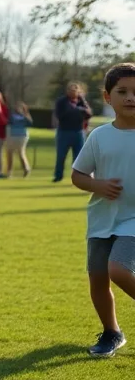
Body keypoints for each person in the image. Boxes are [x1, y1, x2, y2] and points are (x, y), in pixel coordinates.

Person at [70, 63, 135, 358]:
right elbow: (78, 175)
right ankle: (112, 332)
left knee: (118, 269)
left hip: (133, 219)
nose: (131, 98)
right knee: (98, 280)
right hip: (101, 219)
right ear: (108, 98)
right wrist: (98, 186)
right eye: (122, 92)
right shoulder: (99, 136)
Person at [53, 81, 93, 183]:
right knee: (61, 156)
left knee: (79, 157)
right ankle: (58, 176)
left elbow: (89, 114)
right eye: (71, 90)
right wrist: (73, 110)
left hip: (78, 132)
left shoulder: (81, 101)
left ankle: (79, 177)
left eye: (75, 90)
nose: (73, 92)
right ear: (67, 91)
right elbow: (59, 115)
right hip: (64, 131)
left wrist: (81, 108)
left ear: (78, 91)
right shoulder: (61, 101)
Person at [5, 102, 32, 178]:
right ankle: (25, 169)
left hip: (17, 136)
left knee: (12, 153)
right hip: (19, 136)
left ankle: (10, 172)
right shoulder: (20, 116)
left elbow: (30, 123)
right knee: (18, 153)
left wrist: (26, 113)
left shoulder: (16, 116)